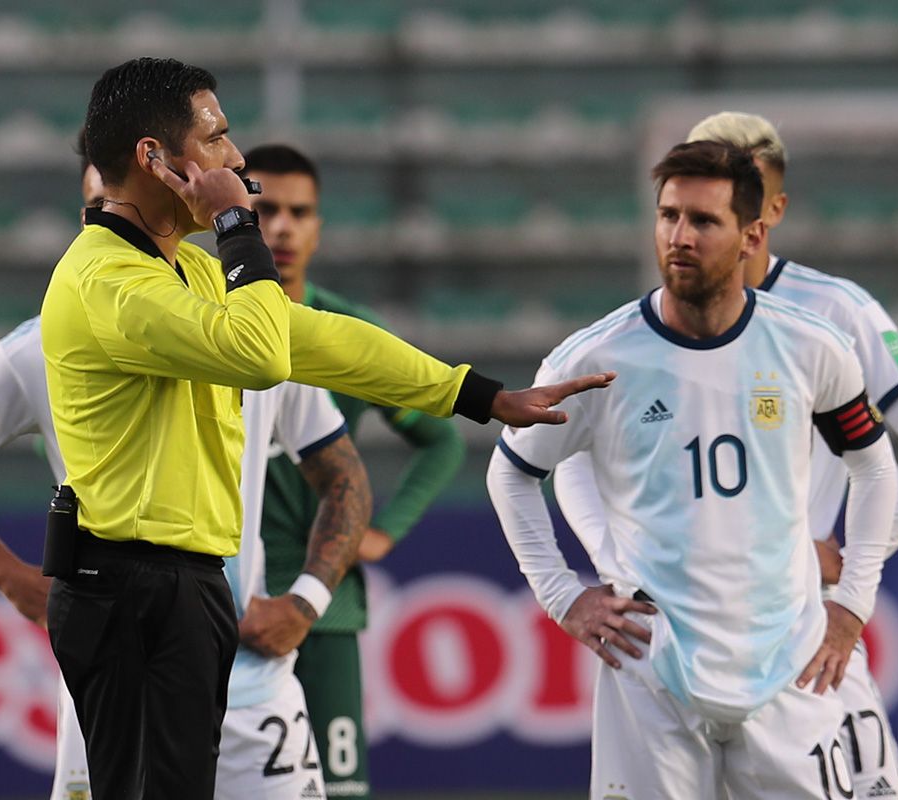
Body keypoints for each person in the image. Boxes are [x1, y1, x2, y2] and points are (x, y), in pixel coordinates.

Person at [42, 57, 611, 800]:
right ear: (154, 157)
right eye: (215, 138)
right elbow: (260, 352)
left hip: (176, 581)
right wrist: (235, 221)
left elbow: (327, 341)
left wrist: (475, 394)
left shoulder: (181, 272)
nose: (235, 159)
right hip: (133, 583)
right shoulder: (105, 281)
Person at [0, 150, 368, 800]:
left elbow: (345, 476)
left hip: (250, 678)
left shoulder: (256, 336)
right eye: (100, 211)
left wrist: (307, 600)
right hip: (122, 668)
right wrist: (14, 582)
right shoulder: (37, 347)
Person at [553, 111, 898, 799]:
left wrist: (842, 556)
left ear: (769, 206)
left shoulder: (831, 313)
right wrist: (608, 560)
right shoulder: (646, 330)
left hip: (800, 625)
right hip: (682, 624)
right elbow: (566, 452)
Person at [487, 140, 898, 798]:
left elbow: (875, 467)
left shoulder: (812, 347)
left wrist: (852, 604)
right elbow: (511, 473)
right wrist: (561, 595)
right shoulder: (593, 360)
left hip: (788, 662)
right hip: (653, 668)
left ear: (751, 234)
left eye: (703, 221)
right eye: (668, 215)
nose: (680, 236)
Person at [237, 143, 465, 798]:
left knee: (337, 789)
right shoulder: (201, 322)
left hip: (322, 607)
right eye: (264, 210)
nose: (281, 227)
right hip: (225, 602)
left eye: (299, 212)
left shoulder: (347, 332)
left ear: (318, 227)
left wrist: (385, 530)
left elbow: (440, 441)